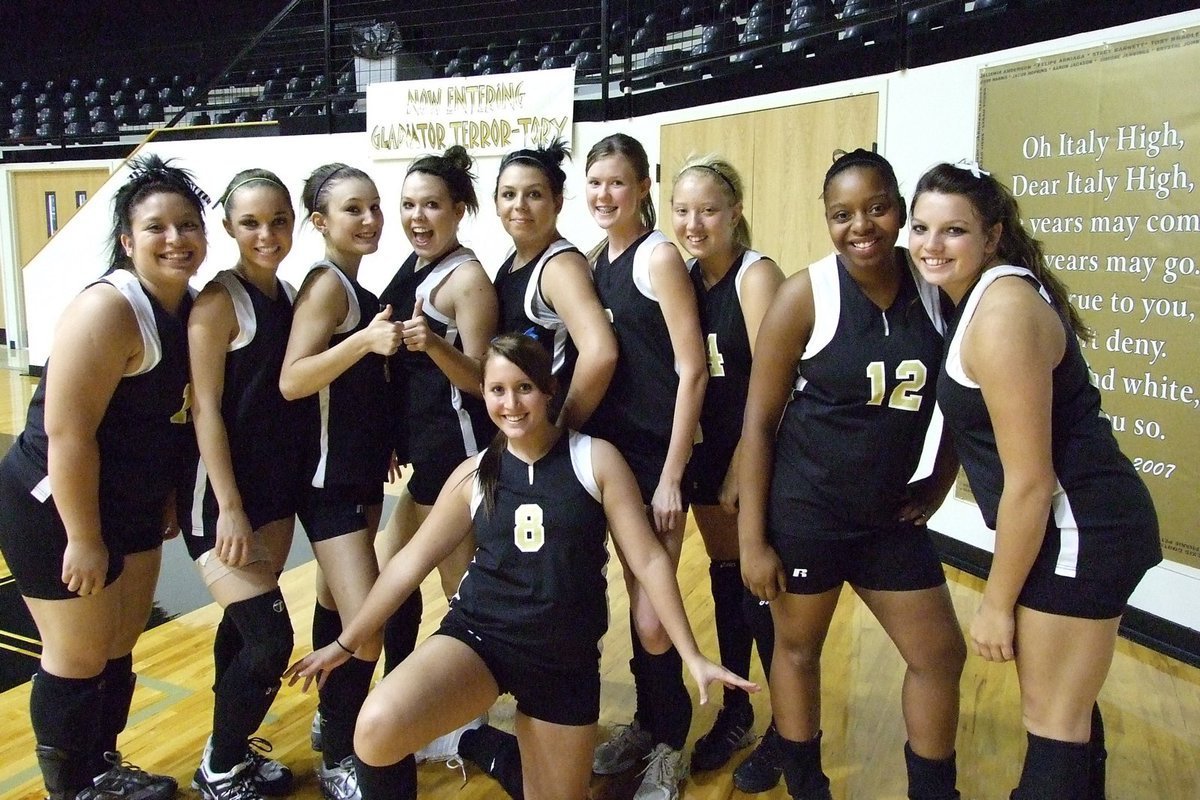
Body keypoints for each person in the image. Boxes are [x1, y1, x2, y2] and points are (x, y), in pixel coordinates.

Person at [283, 333, 757, 800]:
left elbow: (650, 561)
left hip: (563, 659)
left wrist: (692, 655)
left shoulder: (595, 459)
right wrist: (347, 642)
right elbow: (409, 564)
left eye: (524, 387)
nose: (511, 403)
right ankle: (474, 740)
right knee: (376, 727)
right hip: (480, 639)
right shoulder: (473, 473)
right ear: (484, 393)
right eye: (496, 390)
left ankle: (479, 743)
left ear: (550, 389)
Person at [908, 161, 1161, 800]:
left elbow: (1029, 482)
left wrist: (994, 605)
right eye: (921, 227)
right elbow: (979, 422)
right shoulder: (971, 298)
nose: (931, 245)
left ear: (992, 236)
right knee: (1068, 712)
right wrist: (939, 483)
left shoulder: (1001, 314)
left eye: (954, 230)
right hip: (1067, 528)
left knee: (1051, 723)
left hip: (1079, 531)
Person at [739, 149, 966, 800]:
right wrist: (753, 539)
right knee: (799, 651)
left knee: (939, 655)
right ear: (828, 221)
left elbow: (967, 390)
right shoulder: (805, 295)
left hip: (887, 517)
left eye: (875, 208)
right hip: (807, 513)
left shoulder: (938, 290)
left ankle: (934, 791)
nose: (860, 225)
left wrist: (942, 475)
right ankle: (809, 786)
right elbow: (757, 425)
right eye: (843, 214)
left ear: (899, 209)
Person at [0, 154, 206, 800]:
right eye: (156, 228)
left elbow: (173, 419)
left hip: (131, 501)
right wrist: (82, 536)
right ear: (127, 240)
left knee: (118, 647)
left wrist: (169, 493)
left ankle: (102, 767)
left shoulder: (192, 308)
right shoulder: (109, 311)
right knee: (78, 655)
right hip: (54, 504)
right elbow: (67, 435)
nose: (174, 239)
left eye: (187, 225)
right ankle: (72, 788)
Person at [583, 133, 708, 800]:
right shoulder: (598, 259)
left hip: (655, 458)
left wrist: (670, 472)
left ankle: (669, 745)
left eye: (617, 183)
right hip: (609, 459)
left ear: (644, 187)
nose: (605, 194)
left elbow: (692, 371)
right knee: (635, 603)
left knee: (655, 614)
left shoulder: (658, 257)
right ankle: (645, 723)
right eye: (595, 181)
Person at [186, 169, 314, 799]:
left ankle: (224, 753)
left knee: (241, 629)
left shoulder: (288, 295)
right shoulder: (218, 303)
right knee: (270, 640)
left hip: (274, 493)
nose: (267, 234)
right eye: (250, 223)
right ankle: (219, 767)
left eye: (278, 221)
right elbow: (206, 409)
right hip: (220, 502)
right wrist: (228, 507)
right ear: (230, 228)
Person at [280, 163, 400, 800]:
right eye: (354, 209)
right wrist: (368, 342)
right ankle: (339, 745)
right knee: (367, 625)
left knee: (334, 610)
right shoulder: (327, 286)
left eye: (374, 206)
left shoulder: (354, 285)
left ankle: (330, 732)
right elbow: (293, 378)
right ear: (321, 223)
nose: (371, 219)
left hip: (355, 474)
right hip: (327, 484)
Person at [669, 155, 784, 778]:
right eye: (682, 211)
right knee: (727, 576)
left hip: (756, 454)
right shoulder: (686, 276)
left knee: (763, 590)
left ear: (735, 212)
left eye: (708, 210)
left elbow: (779, 380)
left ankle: (789, 729)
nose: (694, 223)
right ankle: (738, 709)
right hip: (708, 455)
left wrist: (745, 462)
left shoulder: (755, 274)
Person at [375, 145, 498, 623]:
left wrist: (435, 346)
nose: (417, 216)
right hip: (426, 449)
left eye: (431, 204)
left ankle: (477, 692)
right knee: (391, 574)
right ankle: (407, 682)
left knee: (457, 584)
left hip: (458, 453)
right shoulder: (417, 264)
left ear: (458, 211)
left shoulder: (467, 280)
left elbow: (485, 380)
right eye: (408, 204)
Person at [491, 138, 616, 429]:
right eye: (509, 194)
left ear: (557, 202)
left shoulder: (560, 267)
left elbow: (601, 352)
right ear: (496, 203)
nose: (519, 205)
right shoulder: (513, 258)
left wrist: (560, 428)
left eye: (533, 194)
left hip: (549, 436)